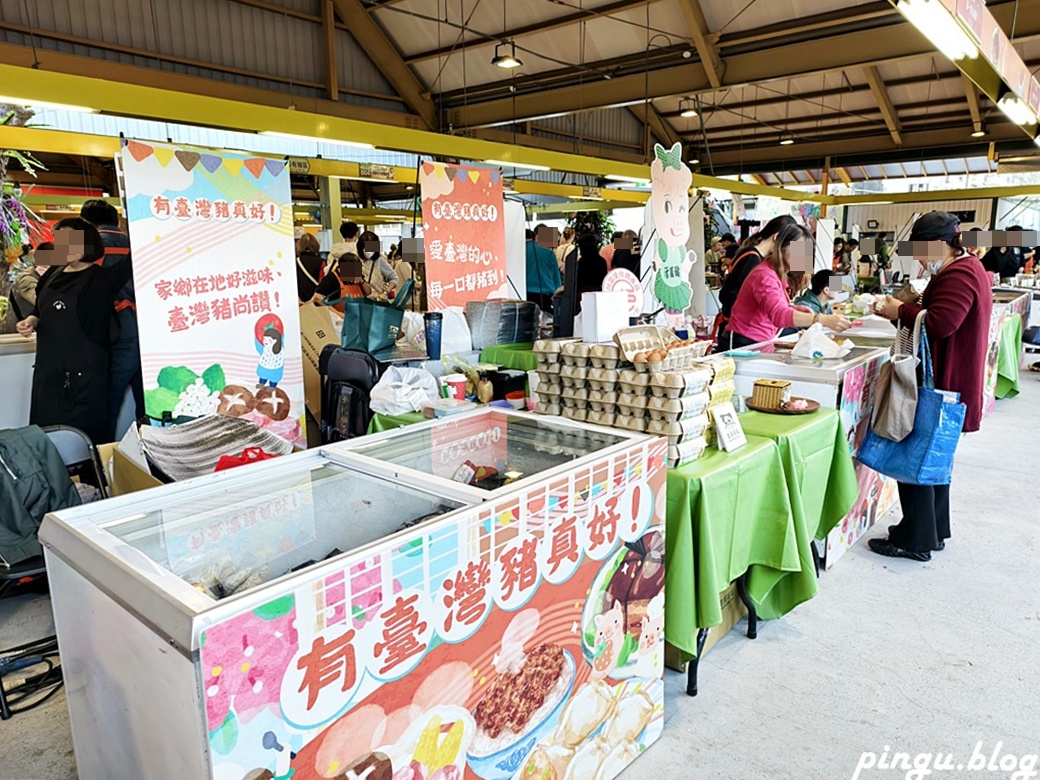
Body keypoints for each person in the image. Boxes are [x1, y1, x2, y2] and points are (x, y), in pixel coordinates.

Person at [870, 211, 993, 562]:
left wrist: (900, 311)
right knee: (936, 458)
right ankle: (934, 531)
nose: (921, 259)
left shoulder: (958, 274)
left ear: (941, 243)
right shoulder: (968, 269)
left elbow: (940, 324)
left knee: (917, 457)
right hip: (952, 379)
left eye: (923, 250)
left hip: (942, 381)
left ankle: (915, 540)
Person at [16, 218, 132, 445]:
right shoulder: (53, 273)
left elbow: (135, 259)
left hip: (84, 382)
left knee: (82, 444)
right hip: (47, 374)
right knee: (46, 440)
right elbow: (41, 308)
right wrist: (31, 319)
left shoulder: (102, 280)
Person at [724, 223, 851, 350]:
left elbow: (773, 306)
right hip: (744, 344)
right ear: (782, 248)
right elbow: (779, 315)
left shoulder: (776, 274)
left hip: (759, 342)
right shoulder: (765, 276)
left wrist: (793, 308)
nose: (804, 257)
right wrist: (822, 319)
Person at [81, 199, 142, 440]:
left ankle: (101, 465)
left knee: (106, 404)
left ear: (85, 222)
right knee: (147, 403)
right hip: (144, 329)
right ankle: (148, 459)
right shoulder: (135, 242)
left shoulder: (87, 246)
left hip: (112, 331)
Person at [715, 215, 797, 351]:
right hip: (741, 336)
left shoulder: (758, 258)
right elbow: (727, 295)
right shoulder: (754, 261)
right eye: (791, 245)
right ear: (777, 237)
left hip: (745, 334)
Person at [526, 228, 562, 312]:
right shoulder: (548, 252)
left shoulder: (517, 252)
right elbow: (557, 280)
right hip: (545, 296)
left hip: (524, 295)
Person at [357, 230, 397, 300]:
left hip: (376, 301)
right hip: (357, 300)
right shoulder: (353, 259)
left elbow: (394, 278)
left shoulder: (379, 260)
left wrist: (385, 293)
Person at [575, 234, 608, 310]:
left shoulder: (581, 262)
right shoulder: (602, 261)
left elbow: (578, 281)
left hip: (583, 296)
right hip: (598, 295)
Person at [295, 232, 324, 303]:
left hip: (300, 303)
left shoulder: (294, 263)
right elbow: (323, 283)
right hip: (317, 302)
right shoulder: (321, 262)